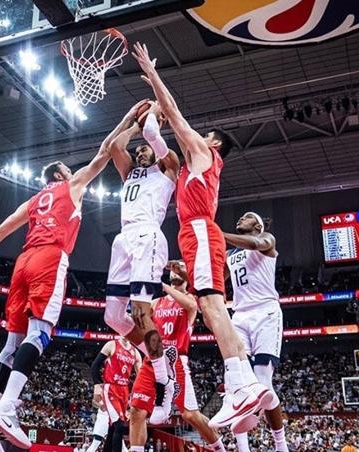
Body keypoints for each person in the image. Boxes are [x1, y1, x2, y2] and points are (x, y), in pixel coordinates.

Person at [0, 100, 145, 451]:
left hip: (21, 262)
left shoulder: (32, 202)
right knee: (40, 334)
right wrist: (131, 119)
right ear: (60, 176)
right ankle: (7, 409)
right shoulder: (71, 186)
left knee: (11, 345)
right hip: (49, 258)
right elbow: (106, 150)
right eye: (66, 168)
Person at [131, 42, 273, 432]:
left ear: (213, 142)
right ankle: (242, 384)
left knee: (211, 307)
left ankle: (242, 385)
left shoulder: (203, 152)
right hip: (194, 232)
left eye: (205, 134)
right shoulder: (197, 164)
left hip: (199, 230)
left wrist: (153, 74)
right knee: (212, 309)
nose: (199, 134)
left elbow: (174, 114)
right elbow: (161, 129)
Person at [104, 100, 180, 423]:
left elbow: (153, 136)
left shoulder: (169, 167)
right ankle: (154, 357)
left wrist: (153, 119)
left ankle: (165, 379)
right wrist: (131, 122)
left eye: (145, 150)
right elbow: (111, 146)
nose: (140, 152)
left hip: (149, 235)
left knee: (139, 310)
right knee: (113, 316)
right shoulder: (129, 173)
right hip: (123, 240)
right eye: (139, 151)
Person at [128, 263, 225, 452]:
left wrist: (162, 285)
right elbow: (139, 317)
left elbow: (190, 306)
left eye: (179, 267)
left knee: (190, 415)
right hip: (152, 360)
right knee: (136, 410)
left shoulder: (191, 299)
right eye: (172, 268)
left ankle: (220, 448)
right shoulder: (157, 303)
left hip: (176, 360)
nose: (174, 271)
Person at [223, 212, 287, 452]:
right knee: (238, 381)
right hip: (239, 316)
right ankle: (243, 447)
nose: (240, 218)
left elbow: (255, 243)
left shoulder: (266, 239)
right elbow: (216, 278)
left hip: (265, 313)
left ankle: (281, 444)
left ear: (257, 225)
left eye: (247, 217)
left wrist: (220, 235)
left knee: (263, 383)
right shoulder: (231, 255)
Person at [88, 338, 141, 452]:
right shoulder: (112, 345)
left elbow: (141, 377)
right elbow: (95, 366)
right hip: (110, 387)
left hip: (124, 390)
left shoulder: (135, 352)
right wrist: (97, 385)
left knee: (113, 428)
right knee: (119, 425)